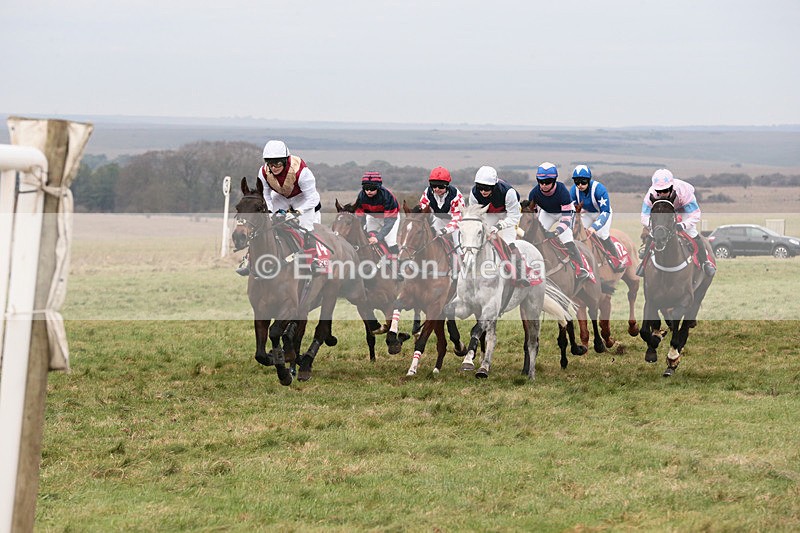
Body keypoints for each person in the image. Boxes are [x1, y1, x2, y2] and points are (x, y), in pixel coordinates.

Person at [236, 139, 324, 276]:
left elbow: (312, 198)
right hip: (281, 197)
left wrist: (297, 212)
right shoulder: (263, 172)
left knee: (306, 226)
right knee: (265, 224)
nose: (274, 167)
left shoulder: (302, 171)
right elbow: (265, 195)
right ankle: (249, 259)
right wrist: (270, 212)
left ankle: (315, 261)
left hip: (303, 198)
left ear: (285, 160)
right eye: (270, 163)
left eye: (277, 162)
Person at [638, 168, 716, 277]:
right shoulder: (650, 194)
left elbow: (695, 214)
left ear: (672, 185)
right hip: (663, 211)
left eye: (665, 190)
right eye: (659, 191)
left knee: (691, 232)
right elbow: (644, 216)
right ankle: (643, 264)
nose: (662, 193)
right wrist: (653, 226)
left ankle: (704, 263)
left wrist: (683, 225)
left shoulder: (683, 191)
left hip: (683, 210)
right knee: (654, 232)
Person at [527, 162, 590, 281]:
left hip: (564, 213)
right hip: (547, 213)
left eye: (548, 182)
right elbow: (533, 218)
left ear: (554, 180)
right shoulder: (533, 194)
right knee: (536, 235)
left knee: (566, 238)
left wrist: (556, 232)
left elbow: (566, 219)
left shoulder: (562, 191)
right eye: (541, 181)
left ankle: (580, 268)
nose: (544, 185)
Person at [468, 165, 528, 286]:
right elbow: (475, 216)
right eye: (480, 187)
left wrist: (499, 226)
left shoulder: (509, 192)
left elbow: (514, 217)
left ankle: (521, 274)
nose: (483, 191)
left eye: (487, 188)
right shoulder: (474, 193)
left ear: (494, 186)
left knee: (508, 242)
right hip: (490, 214)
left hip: (508, 214)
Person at [569, 164, 626, 273]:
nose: (580, 185)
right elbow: (572, 210)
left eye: (583, 182)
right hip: (587, 213)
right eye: (577, 182)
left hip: (602, 213)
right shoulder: (573, 191)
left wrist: (594, 227)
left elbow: (605, 212)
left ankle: (616, 260)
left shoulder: (599, 189)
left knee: (602, 234)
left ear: (589, 180)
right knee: (577, 232)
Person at [353, 171, 400, 255]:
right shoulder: (361, 196)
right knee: (368, 238)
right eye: (366, 188)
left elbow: (389, 222)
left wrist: (378, 237)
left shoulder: (387, 196)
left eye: (372, 188)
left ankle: (397, 265)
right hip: (372, 217)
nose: (369, 191)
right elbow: (359, 218)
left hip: (390, 218)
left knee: (390, 242)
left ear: (378, 187)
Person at [418, 166, 465, 246]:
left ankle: (461, 256)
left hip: (456, 223)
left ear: (447, 185)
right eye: (434, 185)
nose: (437, 189)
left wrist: (445, 230)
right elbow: (423, 213)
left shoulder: (456, 195)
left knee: (458, 246)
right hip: (438, 220)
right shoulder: (427, 193)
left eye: (441, 186)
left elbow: (457, 219)